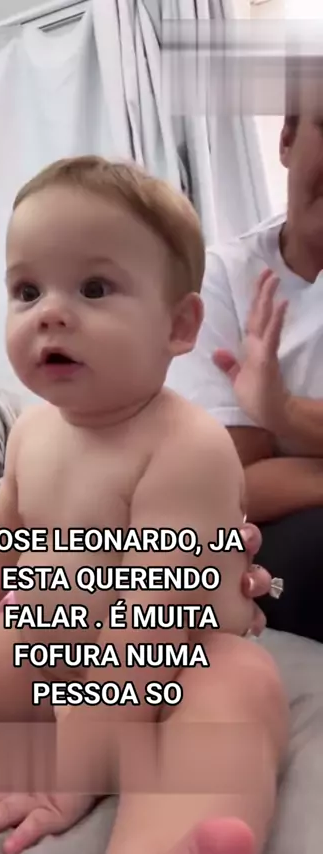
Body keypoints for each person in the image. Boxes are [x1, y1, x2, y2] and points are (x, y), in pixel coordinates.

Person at [0, 156, 287, 854]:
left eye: (94, 287)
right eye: (26, 290)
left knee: (236, 698)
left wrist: (78, 763)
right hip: (56, 636)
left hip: (179, 661)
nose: (50, 312)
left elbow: (154, 620)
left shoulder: (186, 446)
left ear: (178, 325)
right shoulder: (32, 431)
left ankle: (172, 840)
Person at [166, 114, 323, 643]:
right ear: (287, 140)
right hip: (275, 535)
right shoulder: (221, 279)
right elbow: (236, 488)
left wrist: (282, 414)